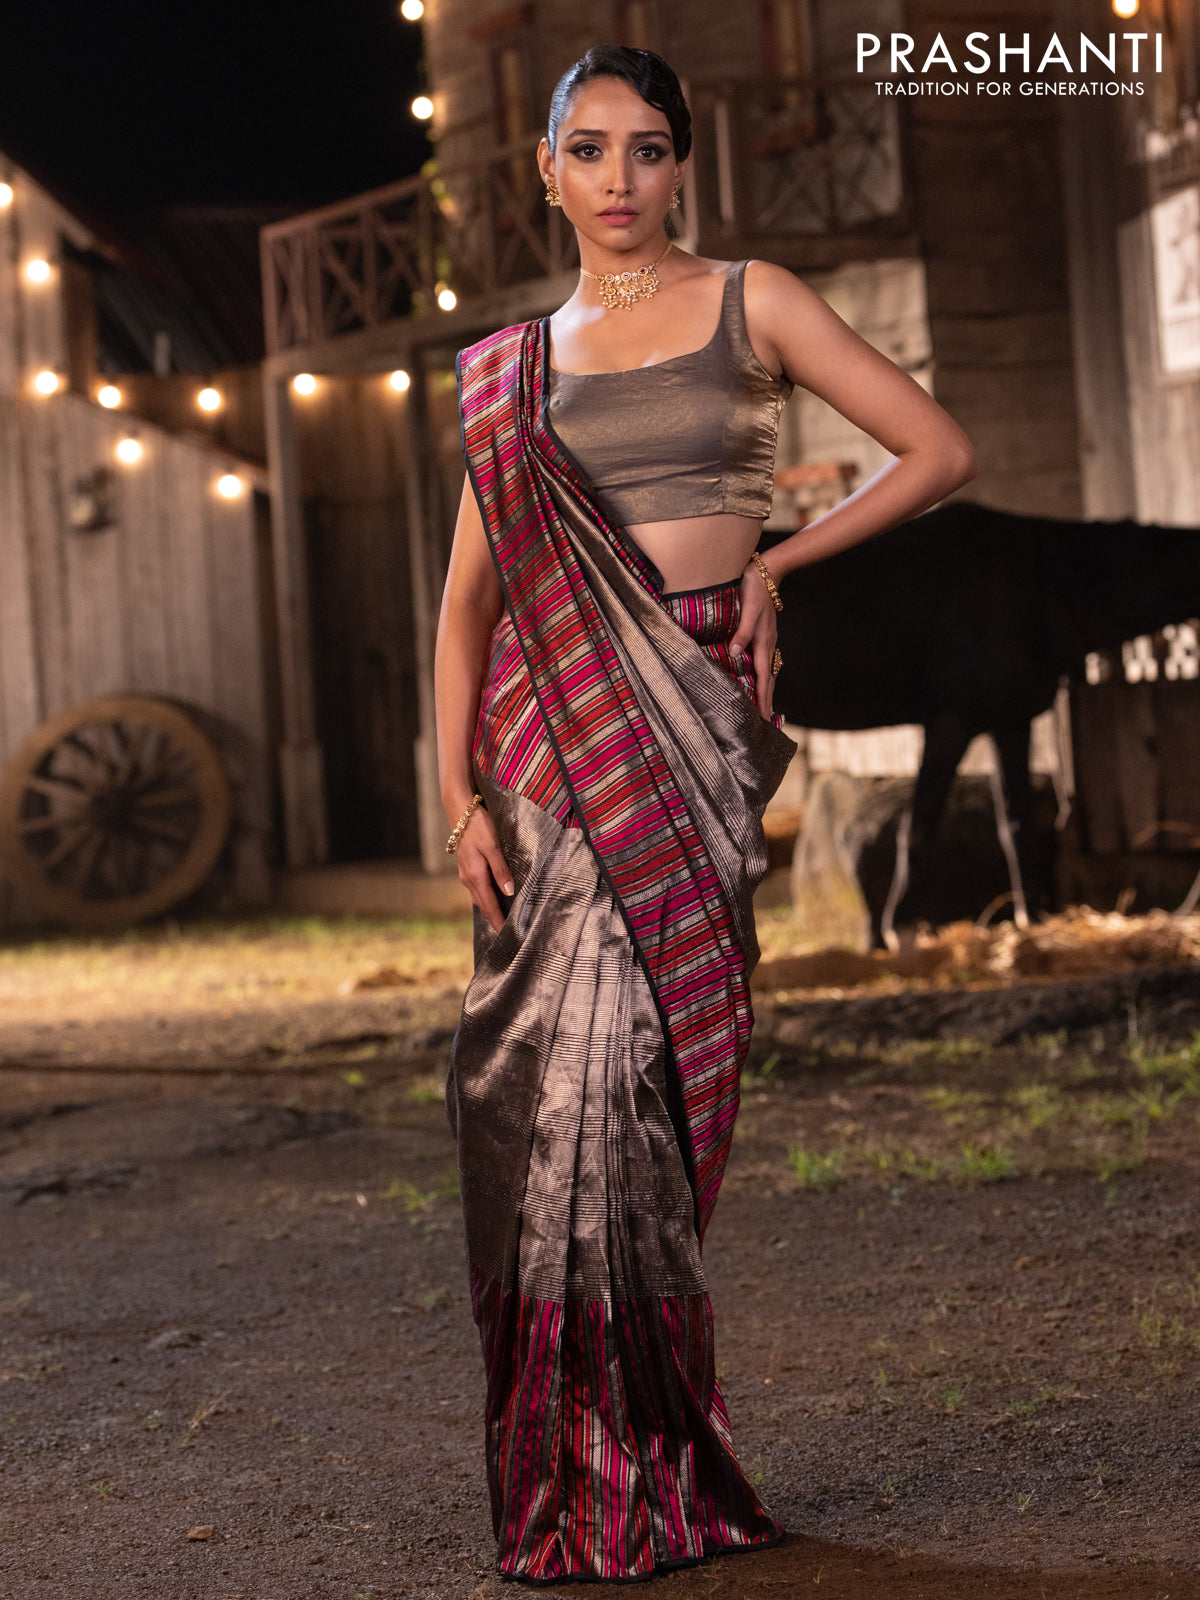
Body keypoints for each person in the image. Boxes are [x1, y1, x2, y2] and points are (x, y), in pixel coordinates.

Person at [434, 44, 976, 1586]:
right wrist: (455, 796)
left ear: (684, 166)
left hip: (688, 720)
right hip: (545, 753)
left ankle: (650, 1461)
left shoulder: (757, 300)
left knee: (657, 1101)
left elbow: (940, 450)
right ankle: (574, 1475)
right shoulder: (511, 370)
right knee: (547, 1101)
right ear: (547, 171)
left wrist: (775, 568)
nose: (620, 178)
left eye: (649, 148)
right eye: (589, 148)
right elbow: (466, 606)